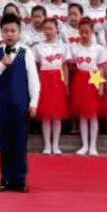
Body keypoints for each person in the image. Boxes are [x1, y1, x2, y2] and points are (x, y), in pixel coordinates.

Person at [0, 14, 40, 192]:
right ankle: (5, 178)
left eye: (13, 31)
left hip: (21, 102)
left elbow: (33, 79)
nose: (9, 34)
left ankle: (19, 179)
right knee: (4, 141)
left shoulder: (26, 52)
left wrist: (34, 103)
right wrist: (2, 64)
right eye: (6, 31)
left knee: (20, 141)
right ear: (1, 32)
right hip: (2, 103)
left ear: (19, 32)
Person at [68, 18, 107, 156]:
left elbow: (103, 69)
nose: (84, 34)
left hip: (94, 80)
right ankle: (84, 145)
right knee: (83, 115)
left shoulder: (99, 49)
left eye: (87, 31)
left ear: (92, 32)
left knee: (92, 115)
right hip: (80, 81)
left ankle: (93, 146)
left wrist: (101, 86)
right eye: (81, 32)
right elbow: (70, 66)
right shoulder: (74, 48)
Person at [33, 17, 69, 154]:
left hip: (57, 79)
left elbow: (65, 66)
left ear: (57, 30)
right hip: (44, 79)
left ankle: (56, 145)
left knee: (57, 114)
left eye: (51, 28)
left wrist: (65, 82)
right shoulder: (37, 47)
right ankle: (47, 145)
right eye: (45, 29)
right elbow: (36, 66)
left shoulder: (63, 47)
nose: (48, 31)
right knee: (46, 114)